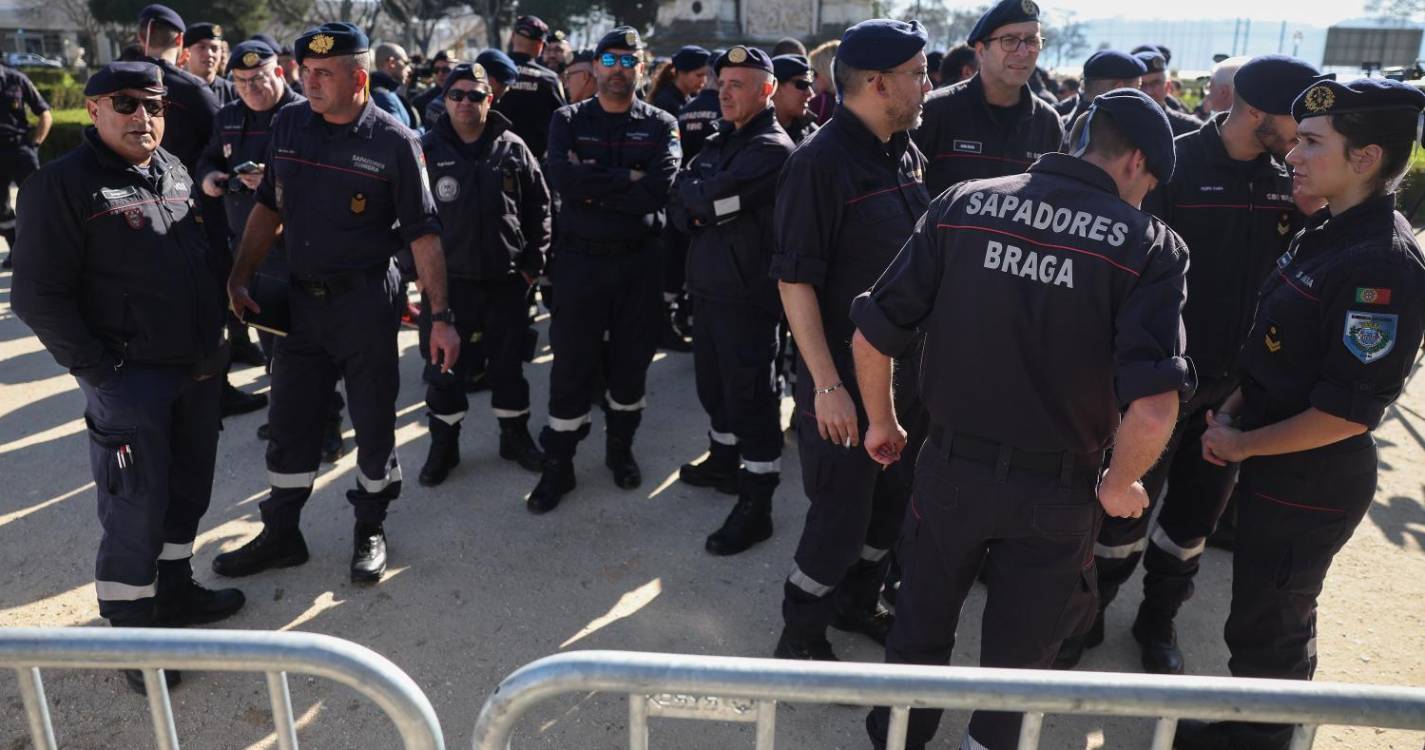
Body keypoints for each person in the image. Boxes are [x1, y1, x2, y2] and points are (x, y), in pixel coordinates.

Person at [855, 87, 1191, 750]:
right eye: (1148, 182)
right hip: (1056, 492)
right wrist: (1120, 484)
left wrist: (881, 423)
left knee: (917, 632)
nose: (1144, 196)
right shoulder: (1148, 244)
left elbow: (873, 332)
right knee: (1019, 662)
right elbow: (1153, 407)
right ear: (1134, 164)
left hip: (947, 470)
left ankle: (899, 739)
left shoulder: (963, 204)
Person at [1175, 77, 1425, 750]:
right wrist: (1233, 410)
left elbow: (1345, 413)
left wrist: (1242, 446)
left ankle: (1253, 741)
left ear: (1365, 158)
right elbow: (1275, 350)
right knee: (1265, 611)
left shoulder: (1381, 265)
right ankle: (1252, 728)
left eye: (1312, 143)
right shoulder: (1328, 229)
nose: (1292, 154)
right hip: (1277, 460)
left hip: (1309, 479)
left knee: (1269, 624)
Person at [1057, 55, 1322, 675]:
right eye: (1296, 120)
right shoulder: (1174, 165)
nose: (1301, 136)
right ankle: (1088, 615)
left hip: (1236, 390)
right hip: (1160, 382)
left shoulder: (1290, 177)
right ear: (1254, 111)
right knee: (1120, 513)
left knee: (1191, 524)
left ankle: (1159, 621)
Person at [11, 61, 245, 694]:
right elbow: (36, 296)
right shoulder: (61, 186)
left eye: (155, 104)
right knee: (135, 507)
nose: (144, 115)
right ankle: (133, 635)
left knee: (187, 491)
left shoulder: (171, 169)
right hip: (129, 378)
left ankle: (175, 596)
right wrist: (101, 371)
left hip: (194, 370)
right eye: (126, 103)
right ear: (93, 110)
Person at [213, 22, 457, 584]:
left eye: (324, 73)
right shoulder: (291, 122)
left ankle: (370, 527)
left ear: (360, 78)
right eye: (305, 71)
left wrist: (440, 318)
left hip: (366, 305)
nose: (310, 82)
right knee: (290, 421)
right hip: (300, 306)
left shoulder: (395, 142)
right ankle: (282, 533)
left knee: (374, 425)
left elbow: (424, 235)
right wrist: (240, 274)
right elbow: (269, 206)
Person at [770, 18, 932, 661]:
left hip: (904, 376)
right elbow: (795, 284)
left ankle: (858, 600)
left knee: (890, 504)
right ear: (876, 83)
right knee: (839, 517)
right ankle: (800, 634)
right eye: (917, 75)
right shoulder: (818, 164)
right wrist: (827, 387)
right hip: (841, 378)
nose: (927, 86)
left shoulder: (903, 148)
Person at [528, 26, 681, 513]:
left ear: (643, 65)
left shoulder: (661, 123)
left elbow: (660, 188)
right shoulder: (566, 119)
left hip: (639, 264)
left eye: (627, 61)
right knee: (571, 364)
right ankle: (560, 466)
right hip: (580, 263)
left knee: (630, 365)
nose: (618, 71)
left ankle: (620, 450)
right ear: (594, 67)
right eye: (609, 61)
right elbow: (564, 180)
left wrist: (598, 185)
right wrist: (626, 181)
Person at [670, 46, 795, 556]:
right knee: (713, 387)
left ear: (766, 90)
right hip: (709, 288)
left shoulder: (772, 149)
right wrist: (702, 204)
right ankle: (723, 460)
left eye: (737, 84)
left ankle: (758, 500)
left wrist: (701, 204)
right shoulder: (721, 142)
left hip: (748, 297)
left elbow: (699, 200)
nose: (723, 91)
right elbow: (681, 197)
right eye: (720, 83)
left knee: (751, 398)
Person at [417, 62, 551, 485]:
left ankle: (513, 436)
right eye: (456, 94)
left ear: (490, 99)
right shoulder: (425, 151)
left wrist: (532, 267)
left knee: (509, 367)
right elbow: (400, 219)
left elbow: (540, 208)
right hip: (448, 288)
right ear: (445, 99)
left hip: (506, 282)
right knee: (444, 371)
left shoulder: (513, 147)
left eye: (475, 95)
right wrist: (416, 273)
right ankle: (445, 445)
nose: (465, 102)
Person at [915, 0, 1064, 199]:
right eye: (1009, 40)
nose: (1022, 52)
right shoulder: (935, 111)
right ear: (980, 51)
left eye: (1031, 41)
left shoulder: (1048, 123)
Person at [0, 57, 50, 269]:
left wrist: (36, 144)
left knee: (38, 200)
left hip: (20, 148)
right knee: (1, 209)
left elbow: (45, 113)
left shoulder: (16, 79)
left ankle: (49, 249)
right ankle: (16, 249)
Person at [499, 15, 568, 160]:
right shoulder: (549, 79)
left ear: (512, 37)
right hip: (533, 162)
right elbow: (563, 121)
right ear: (540, 45)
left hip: (492, 159)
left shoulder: (492, 71)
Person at [1061, 50, 1146, 134]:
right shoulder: (1124, 134)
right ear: (1119, 89)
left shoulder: (1061, 124)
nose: (1141, 94)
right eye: (1137, 88)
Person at [1135, 49, 1202, 136]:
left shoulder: (1191, 129)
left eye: (1155, 83)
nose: (1149, 91)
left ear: (1167, 87)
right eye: (1141, 84)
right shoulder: (1119, 127)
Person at [770, 54, 818, 144]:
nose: (811, 93)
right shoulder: (750, 131)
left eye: (810, 85)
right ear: (775, 87)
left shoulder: (814, 136)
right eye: (802, 85)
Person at [184, 23, 235, 105]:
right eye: (201, 47)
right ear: (186, 51)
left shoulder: (232, 92)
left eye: (214, 48)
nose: (209, 53)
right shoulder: (174, 90)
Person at [650, 45, 710, 116]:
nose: (703, 80)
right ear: (682, 73)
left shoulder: (689, 97)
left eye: (706, 75)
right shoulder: (666, 102)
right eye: (699, 75)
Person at [372, 42, 419, 129]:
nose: (409, 69)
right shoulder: (383, 97)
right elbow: (401, 137)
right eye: (406, 62)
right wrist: (425, 131)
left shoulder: (385, 92)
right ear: (391, 63)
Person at [411, 50, 456, 124]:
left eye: (446, 70)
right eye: (436, 70)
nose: (440, 74)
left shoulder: (464, 98)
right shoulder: (421, 102)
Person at [806, 40, 838, 124]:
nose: (811, 78)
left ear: (826, 72)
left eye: (813, 72)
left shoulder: (819, 102)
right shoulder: (855, 101)